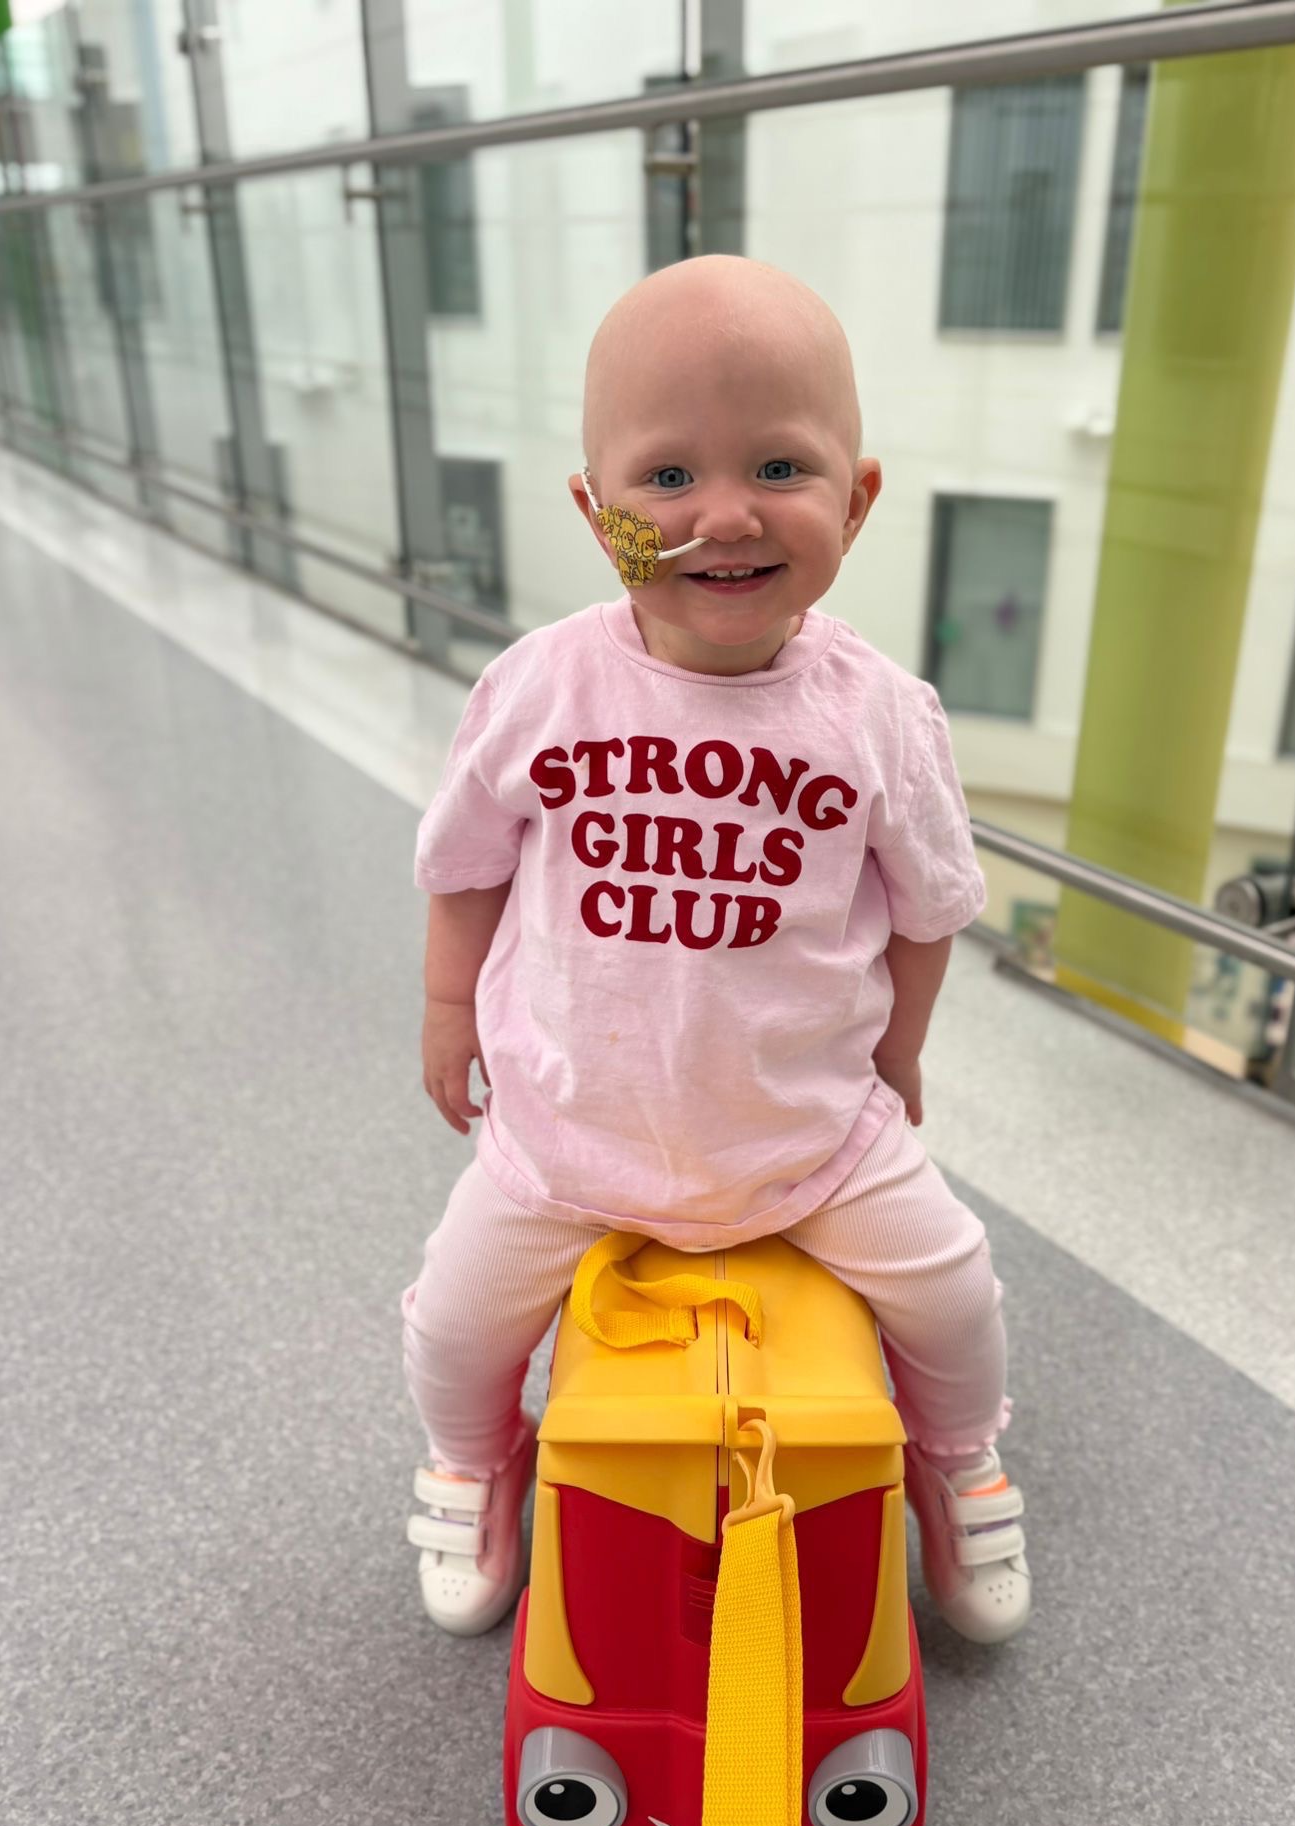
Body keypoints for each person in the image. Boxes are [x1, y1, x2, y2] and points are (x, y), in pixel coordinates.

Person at [400, 255, 1030, 1649]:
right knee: (452, 1322)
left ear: (858, 499)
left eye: (780, 468)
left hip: (807, 1133)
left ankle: (956, 1460)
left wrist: (899, 1053)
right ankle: (477, 1461)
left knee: (954, 1288)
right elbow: (467, 866)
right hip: (565, 1128)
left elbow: (927, 908)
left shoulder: (878, 714)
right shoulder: (541, 686)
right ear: (595, 509)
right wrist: (450, 1009)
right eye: (669, 476)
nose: (726, 515)